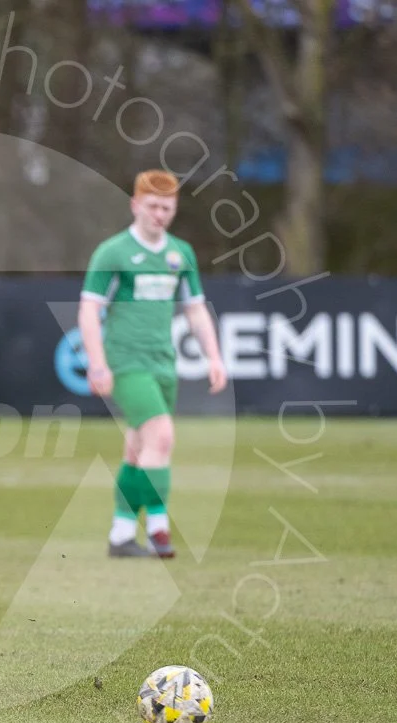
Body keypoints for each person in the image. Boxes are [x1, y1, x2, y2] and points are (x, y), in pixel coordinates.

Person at [77, 169, 228, 559]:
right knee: (162, 437)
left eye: (167, 208)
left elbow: (195, 310)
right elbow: (90, 310)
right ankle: (159, 529)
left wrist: (214, 355)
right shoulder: (113, 252)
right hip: (126, 362)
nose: (160, 214)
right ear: (135, 205)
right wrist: (97, 364)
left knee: (138, 450)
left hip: (164, 364)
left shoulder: (181, 253)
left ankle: (121, 535)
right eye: (153, 206)